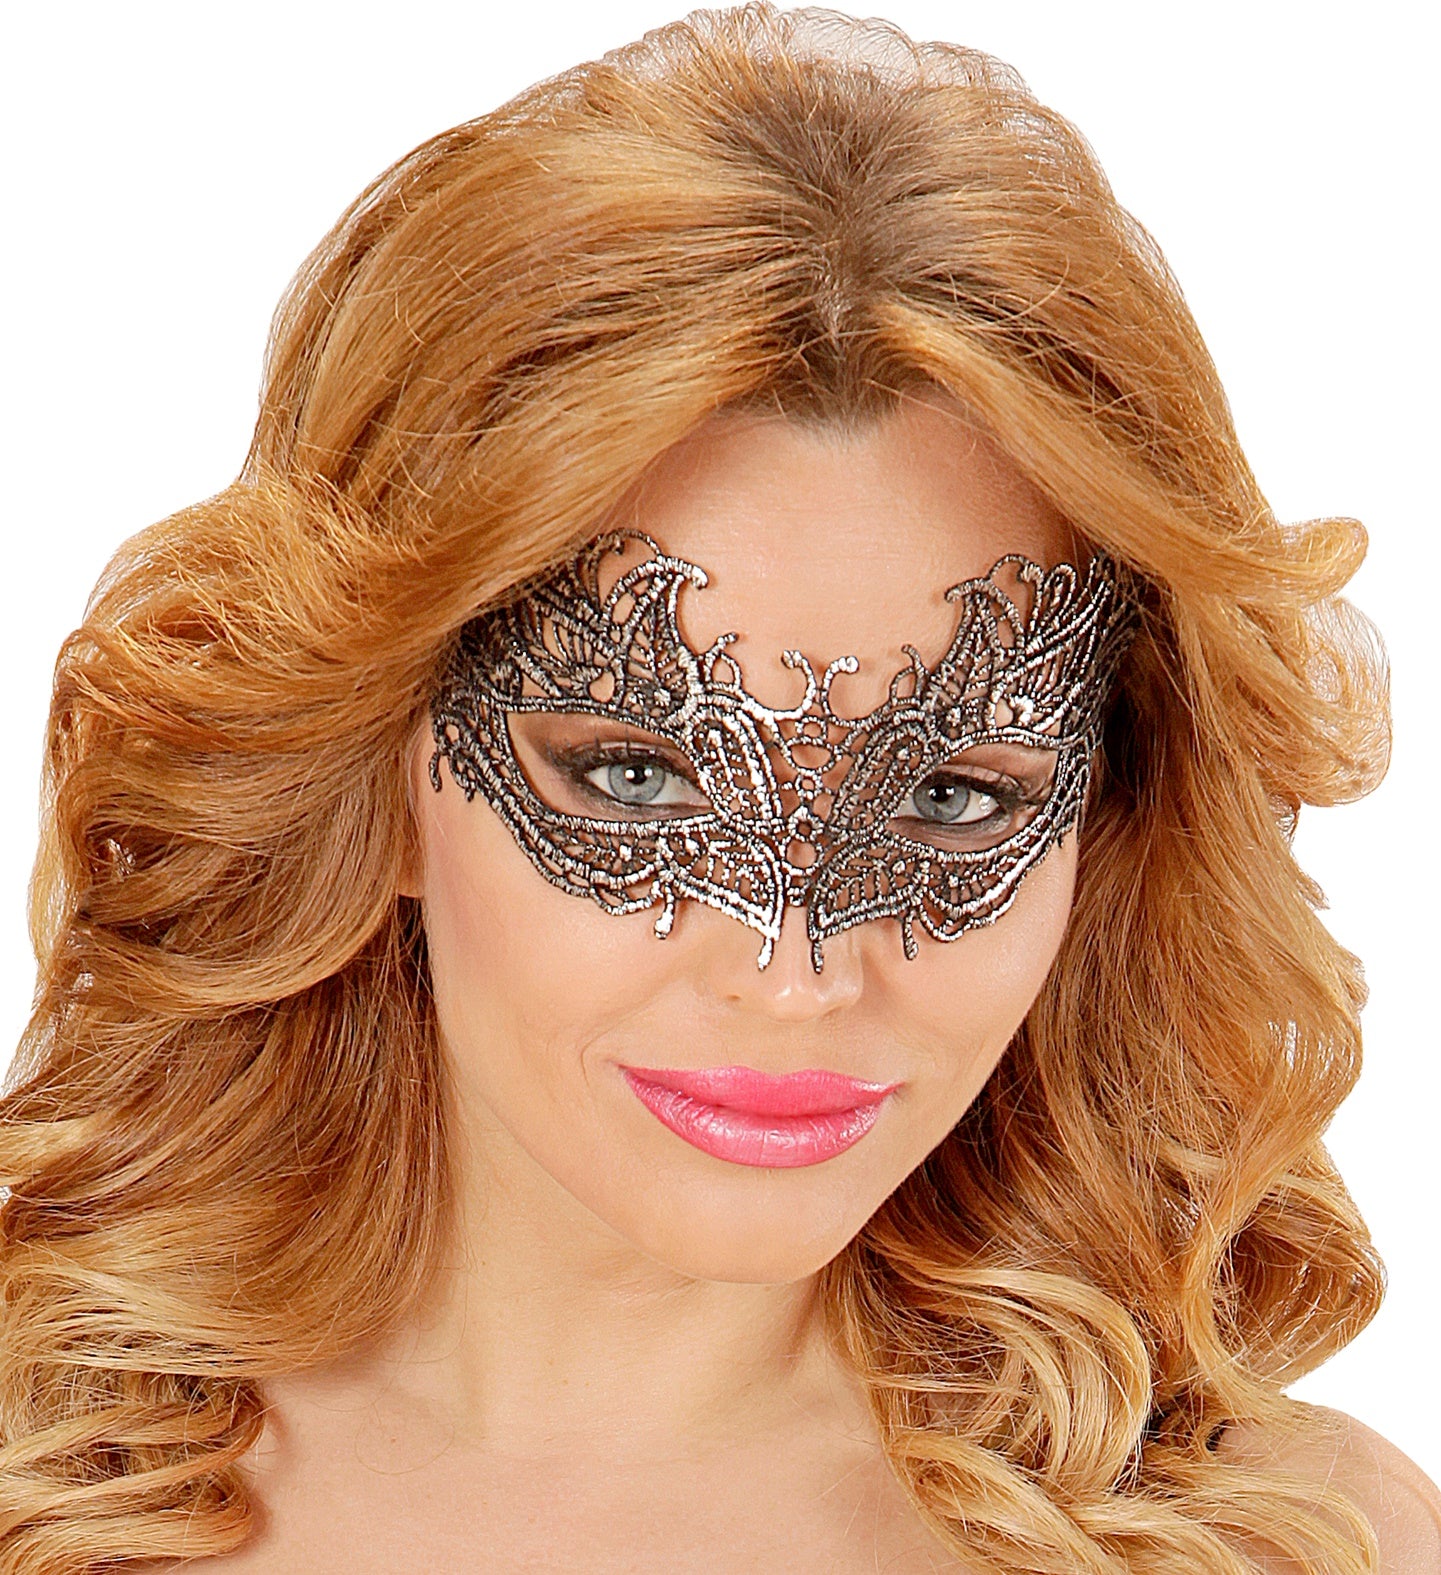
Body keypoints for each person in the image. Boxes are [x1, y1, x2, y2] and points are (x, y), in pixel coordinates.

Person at [1, 5, 1437, 1571]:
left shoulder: (1290, 1543)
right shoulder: (44, 1479)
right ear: (376, 766)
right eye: (635, 773)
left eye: (954, 797)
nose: (795, 973)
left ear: (1103, 812)